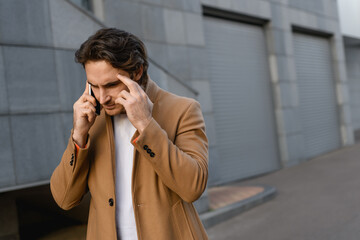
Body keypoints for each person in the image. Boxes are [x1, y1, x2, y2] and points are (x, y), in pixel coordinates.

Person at [50, 28, 209, 240]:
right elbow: (64, 198)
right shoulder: (91, 120)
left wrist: (146, 124)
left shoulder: (183, 110)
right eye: (93, 86)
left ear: (137, 72)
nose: (103, 97)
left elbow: (193, 187)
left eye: (111, 85)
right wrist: (78, 137)